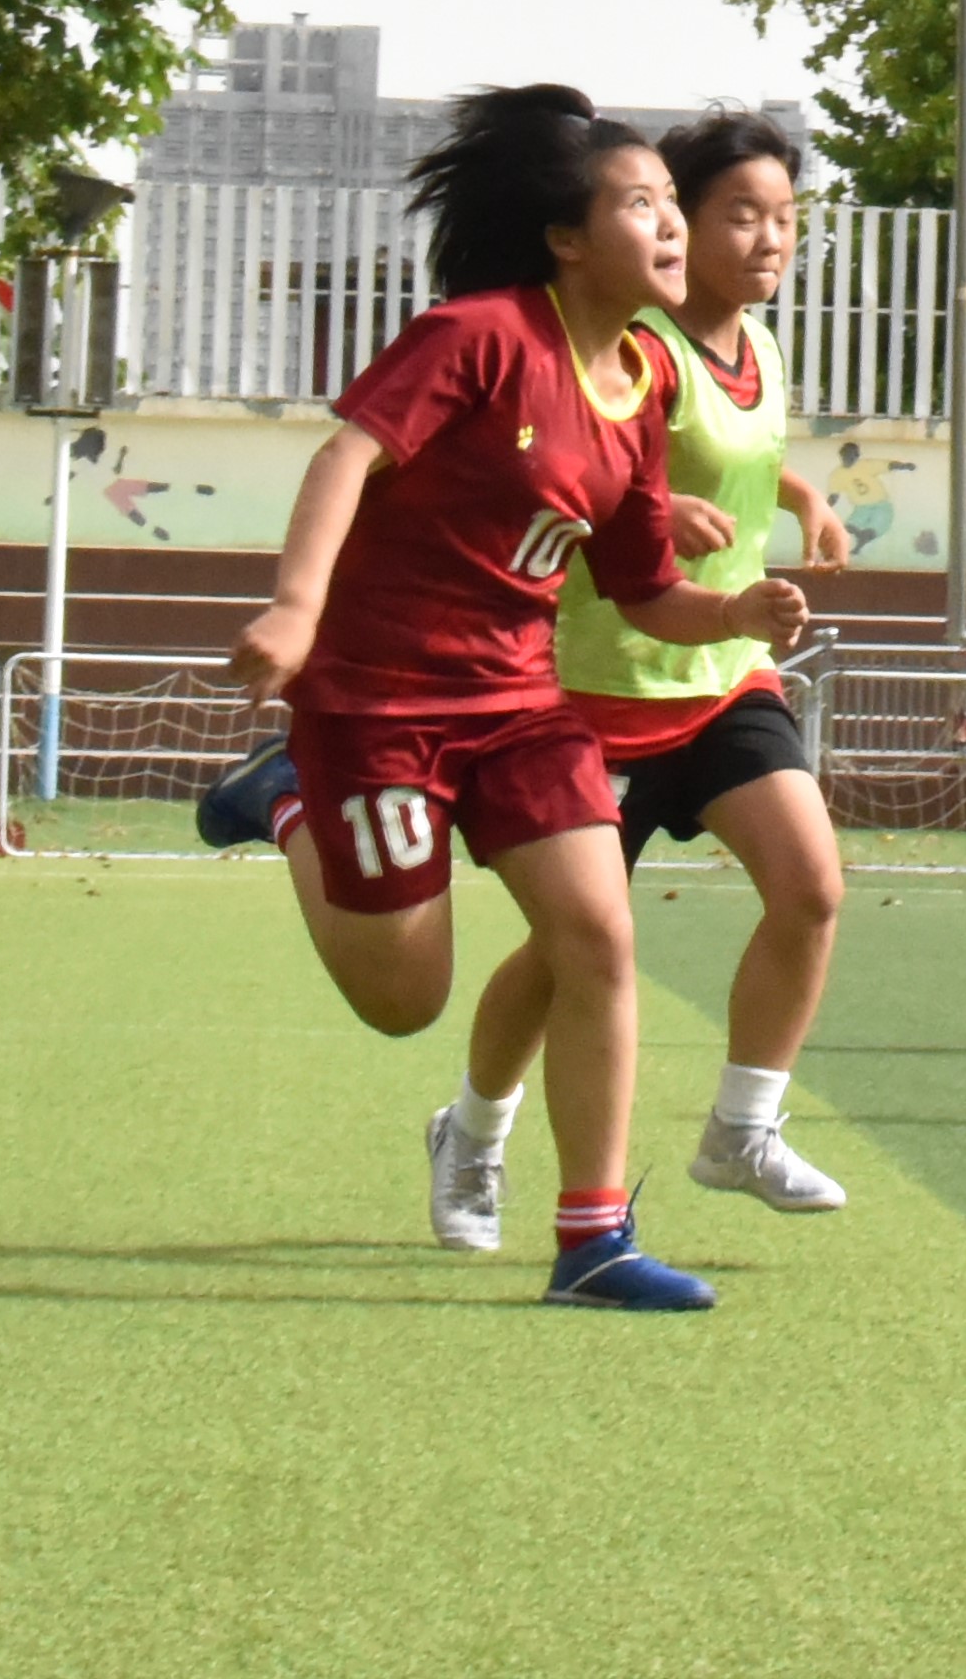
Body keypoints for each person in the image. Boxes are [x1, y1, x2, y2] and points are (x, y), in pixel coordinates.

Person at [190, 91, 810, 1311]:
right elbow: (345, 457)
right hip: (378, 704)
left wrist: (733, 616)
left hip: (521, 701)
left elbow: (644, 593)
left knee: (598, 935)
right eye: (642, 205)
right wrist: (296, 611)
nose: (672, 225)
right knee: (402, 1001)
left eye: (668, 205)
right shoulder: (474, 334)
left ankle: (592, 1242)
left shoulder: (639, 383)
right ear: (566, 239)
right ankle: (288, 801)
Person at [432, 109, 860, 1252]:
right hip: (595, 690)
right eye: (740, 216)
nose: (770, 239)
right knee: (568, 953)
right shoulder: (632, 349)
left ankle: (742, 1128)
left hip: (723, 676)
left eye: (786, 219)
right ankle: (473, 1130)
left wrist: (801, 498)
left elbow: (737, 454)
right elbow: (569, 465)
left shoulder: (760, 348)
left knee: (811, 885)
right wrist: (648, 508)